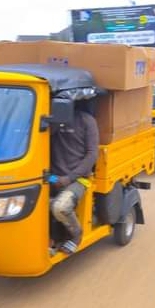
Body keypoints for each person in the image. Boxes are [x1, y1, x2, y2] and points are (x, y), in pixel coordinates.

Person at [49, 100, 99, 255]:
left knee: (60, 207)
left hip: (77, 179)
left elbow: (92, 155)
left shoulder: (86, 121)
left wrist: (69, 178)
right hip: (51, 177)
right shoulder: (51, 121)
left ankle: (76, 235)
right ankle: (52, 238)